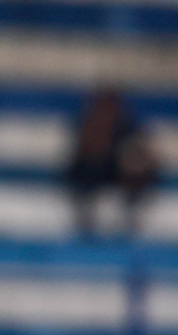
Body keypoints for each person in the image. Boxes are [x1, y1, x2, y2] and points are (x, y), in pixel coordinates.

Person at [65, 88, 161, 238]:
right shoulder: (88, 126)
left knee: (136, 169)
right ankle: (86, 220)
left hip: (120, 172)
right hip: (94, 172)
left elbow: (143, 155)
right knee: (89, 171)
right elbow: (79, 159)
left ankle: (129, 218)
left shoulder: (128, 128)